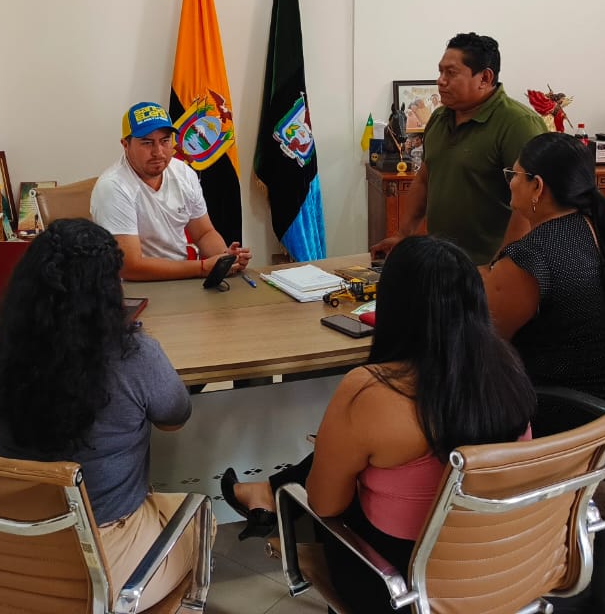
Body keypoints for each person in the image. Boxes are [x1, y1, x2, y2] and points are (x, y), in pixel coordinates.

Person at [222, 237, 536, 611]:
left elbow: (324, 504)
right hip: (500, 573)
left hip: (398, 588)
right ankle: (268, 490)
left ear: (391, 307)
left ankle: (269, 492)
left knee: (337, 476)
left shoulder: (371, 390)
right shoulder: (509, 372)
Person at [0, 218, 209, 608]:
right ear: (109, 291)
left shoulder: (1, 353)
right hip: (107, 559)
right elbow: (175, 418)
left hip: (23, 552)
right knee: (202, 521)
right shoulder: (134, 356)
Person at [483, 133, 605, 419]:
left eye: (514, 175)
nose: (510, 183)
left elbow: (484, 344)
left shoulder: (529, 258)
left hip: (569, 422)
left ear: (537, 186)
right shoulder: (593, 228)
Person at [372, 33, 547, 266]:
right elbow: (425, 178)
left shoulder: (518, 124)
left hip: (490, 267)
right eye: (440, 72)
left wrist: (503, 266)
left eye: (451, 73)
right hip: (443, 264)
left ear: (484, 77)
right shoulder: (439, 118)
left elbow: (532, 204)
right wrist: (403, 234)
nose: (440, 81)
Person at [91, 100, 251, 280]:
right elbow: (130, 267)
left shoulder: (184, 173)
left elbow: (204, 233)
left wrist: (225, 259)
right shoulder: (113, 187)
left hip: (182, 277)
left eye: (165, 141)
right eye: (147, 143)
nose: (158, 152)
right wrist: (202, 268)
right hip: (132, 287)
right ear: (125, 145)